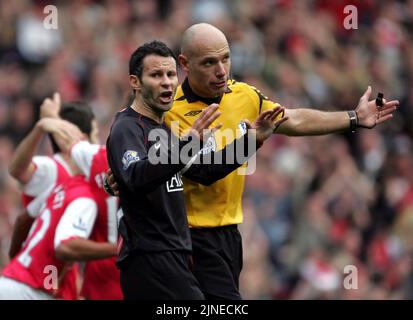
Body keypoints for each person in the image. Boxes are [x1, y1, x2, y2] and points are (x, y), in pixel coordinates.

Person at [162, 23, 400, 300]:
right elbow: (202, 171)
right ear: (184, 63)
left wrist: (352, 118)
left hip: (227, 237)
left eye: (226, 58)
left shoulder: (244, 96)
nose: (222, 70)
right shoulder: (169, 111)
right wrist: (252, 142)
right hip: (185, 237)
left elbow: (293, 118)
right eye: (209, 62)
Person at [106, 40, 287, 300]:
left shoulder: (163, 131)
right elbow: (135, 176)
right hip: (149, 256)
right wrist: (188, 144)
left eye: (170, 74)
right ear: (135, 82)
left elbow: (204, 171)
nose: (167, 82)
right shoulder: (128, 126)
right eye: (156, 75)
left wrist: (253, 140)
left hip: (175, 255)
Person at [6, 97, 122, 299]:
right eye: (95, 132)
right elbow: (17, 172)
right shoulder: (54, 168)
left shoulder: (85, 180)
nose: (98, 139)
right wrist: (42, 127)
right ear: (82, 137)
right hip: (35, 281)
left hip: (46, 277)